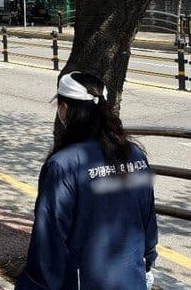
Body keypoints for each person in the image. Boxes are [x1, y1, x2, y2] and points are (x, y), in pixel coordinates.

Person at [15, 72, 158, 290]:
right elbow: (147, 217)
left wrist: (33, 285)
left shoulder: (63, 165)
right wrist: (147, 262)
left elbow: (49, 239)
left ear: (64, 110)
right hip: (131, 277)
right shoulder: (134, 155)